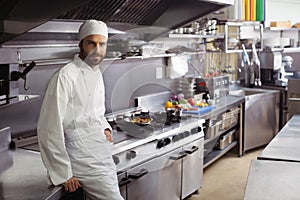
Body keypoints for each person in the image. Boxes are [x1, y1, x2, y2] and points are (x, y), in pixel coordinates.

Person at [37, 19, 124, 200]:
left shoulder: (96, 72)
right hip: (80, 156)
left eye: (102, 44)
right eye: (91, 43)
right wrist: (63, 172)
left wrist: (105, 126)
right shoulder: (64, 77)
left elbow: (95, 111)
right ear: (81, 44)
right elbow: (49, 127)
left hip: (99, 148)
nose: (97, 49)